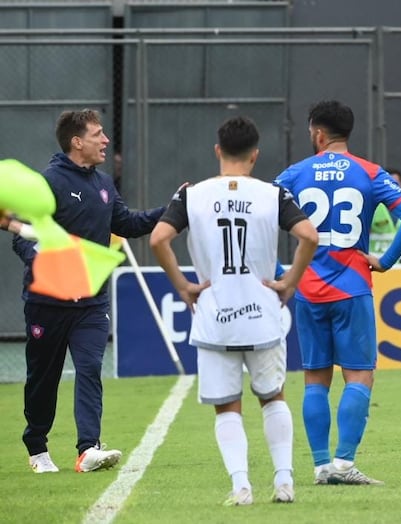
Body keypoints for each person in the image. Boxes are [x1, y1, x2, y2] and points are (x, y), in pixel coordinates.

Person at [150, 116, 318, 506]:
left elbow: (160, 238)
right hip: (262, 313)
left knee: (228, 406)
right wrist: (290, 280)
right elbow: (308, 235)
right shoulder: (271, 194)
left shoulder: (191, 195)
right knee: (273, 396)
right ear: (255, 155)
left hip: (214, 317)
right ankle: (284, 481)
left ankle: (241, 486)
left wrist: (183, 285)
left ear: (217, 151)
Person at [274, 100, 401, 485]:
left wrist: (282, 271)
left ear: (318, 134)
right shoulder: (369, 173)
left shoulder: (295, 173)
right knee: (358, 376)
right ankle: (344, 464)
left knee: (315, 379)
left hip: (307, 288)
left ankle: (321, 466)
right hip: (352, 286)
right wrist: (387, 260)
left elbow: (258, 215)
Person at [11, 109, 165, 473]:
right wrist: (42, 257)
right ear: (77, 142)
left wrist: (172, 210)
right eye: (98, 134)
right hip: (46, 302)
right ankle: (37, 448)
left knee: (91, 366)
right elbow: (21, 237)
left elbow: (127, 223)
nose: (105, 141)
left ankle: (88, 449)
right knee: (43, 379)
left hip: (91, 302)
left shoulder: (104, 184)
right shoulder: (47, 183)